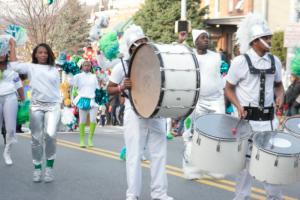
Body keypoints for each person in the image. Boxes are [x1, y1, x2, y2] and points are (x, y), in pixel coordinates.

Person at [107, 24, 173, 200]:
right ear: (130, 48)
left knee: (159, 153)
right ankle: (132, 194)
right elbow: (110, 89)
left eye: (143, 41)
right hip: (133, 110)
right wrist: (122, 86)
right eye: (136, 43)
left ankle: (159, 193)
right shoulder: (122, 66)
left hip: (155, 111)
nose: (141, 45)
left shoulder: (157, 60)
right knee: (134, 154)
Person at [224, 14, 284, 200]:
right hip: (247, 121)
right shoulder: (239, 62)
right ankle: (241, 197)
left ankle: (274, 197)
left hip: (268, 122)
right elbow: (228, 89)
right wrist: (238, 106)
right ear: (255, 41)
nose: (269, 41)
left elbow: (278, 84)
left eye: (269, 37)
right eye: (266, 38)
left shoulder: (275, 61)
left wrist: (280, 95)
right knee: (246, 167)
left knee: (271, 164)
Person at [9, 39, 61, 183]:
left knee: (50, 136)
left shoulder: (54, 69)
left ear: (49, 54)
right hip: (36, 106)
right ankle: (37, 168)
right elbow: (13, 65)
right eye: (40, 52)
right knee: (36, 139)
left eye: (45, 52)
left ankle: (49, 168)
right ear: (36, 55)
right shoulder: (30, 67)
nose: (43, 55)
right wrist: (12, 46)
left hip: (53, 105)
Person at [182, 29, 225, 180]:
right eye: (202, 37)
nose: (206, 39)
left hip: (215, 100)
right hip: (196, 100)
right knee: (192, 134)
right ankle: (191, 169)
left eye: (207, 37)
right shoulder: (190, 56)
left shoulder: (216, 57)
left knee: (216, 134)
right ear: (195, 41)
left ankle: (212, 167)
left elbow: (222, 75)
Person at [0, 37, 24, 165]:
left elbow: (18, 83)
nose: (1, 55)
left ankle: (7, 152)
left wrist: (12, 44)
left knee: (10, 129)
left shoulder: (11, 66)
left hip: (10, 97)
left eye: (3, 52)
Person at [71, 60, 99, 148]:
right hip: (82, 100)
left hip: (92, 100)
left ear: (90, 67)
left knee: (93, 120)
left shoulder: (94, 76)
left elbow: (97, 88)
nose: (87, 67)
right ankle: (82, 141)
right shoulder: (78, 76)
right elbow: (71, 83)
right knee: (82, 121)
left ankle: (90, 140)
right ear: (82, 67)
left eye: (88, 65)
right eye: (85, 65)